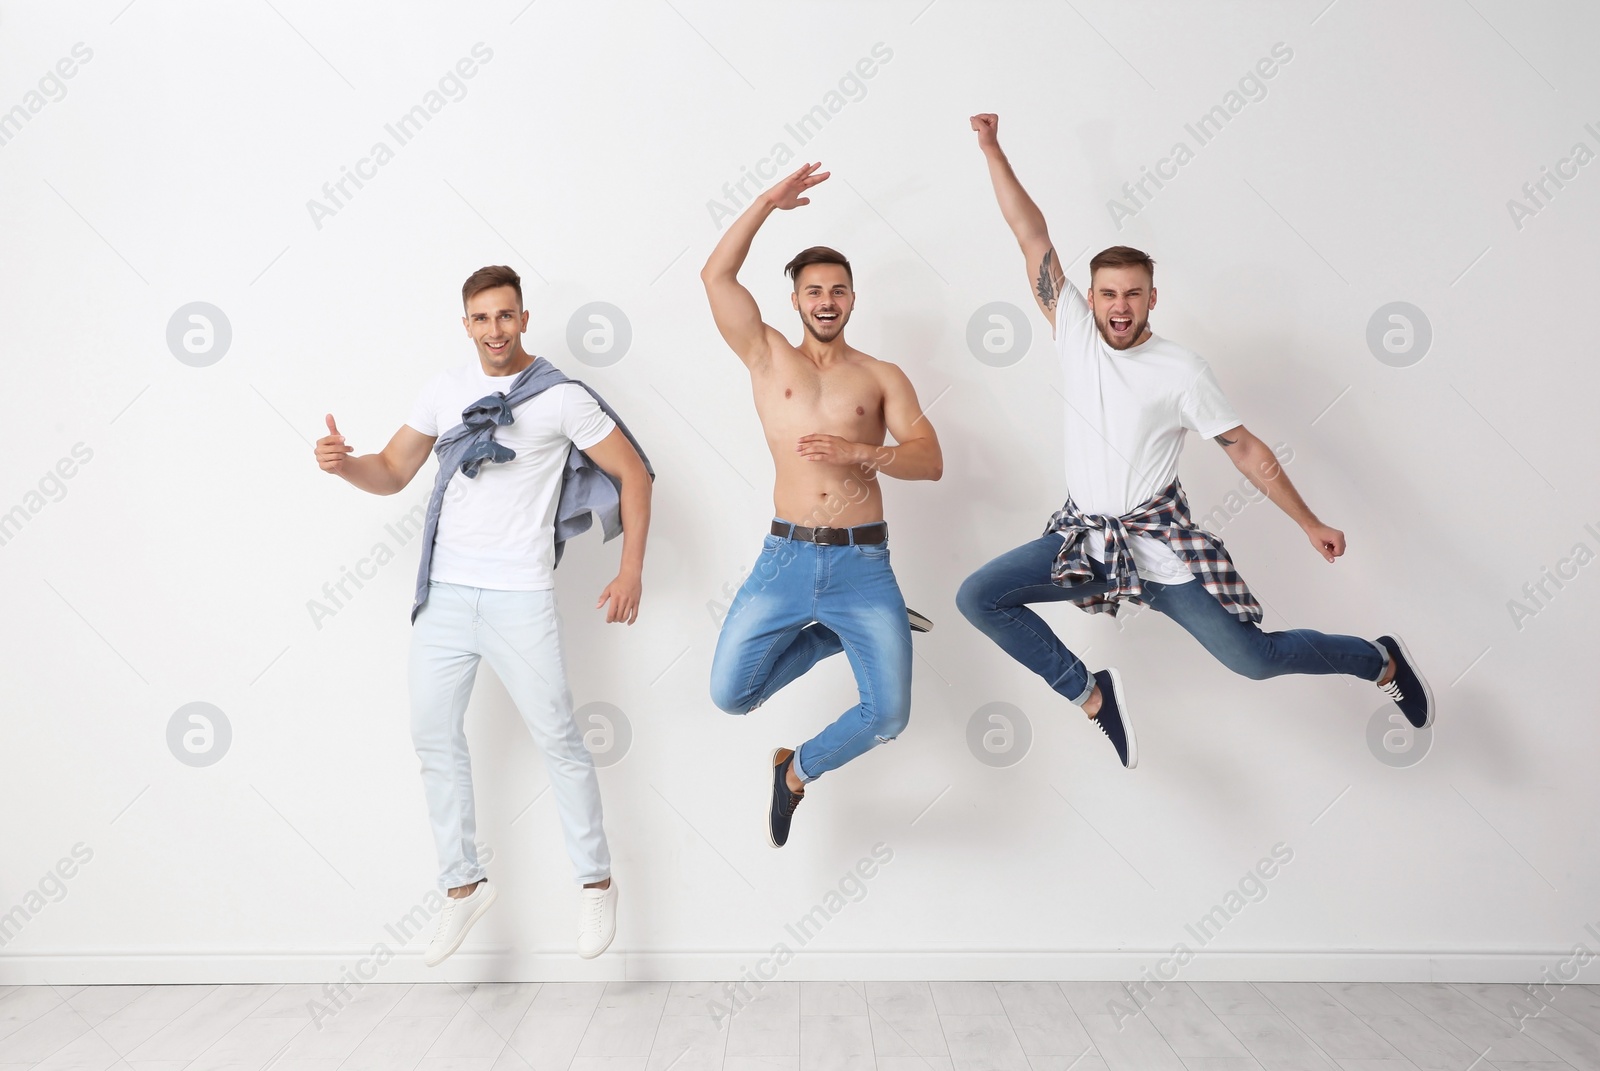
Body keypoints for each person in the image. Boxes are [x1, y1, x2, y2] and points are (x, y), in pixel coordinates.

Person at [957, 114, 1432, 769]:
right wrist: (991, 147)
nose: (1118, 306)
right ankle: (1091, 694)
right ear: (1087, 299)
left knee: (1256, 660)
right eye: (1106, 294)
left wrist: (1308, 521)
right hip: (1085, 543)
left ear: (1153, 298)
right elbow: (1029, 232)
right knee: (977, 596)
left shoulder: (1181, 370)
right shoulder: (1075, 332)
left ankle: (1378, 660)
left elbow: (1243, 447)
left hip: (1159, 552)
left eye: (1132, 294)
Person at [313, 265, 652, 962]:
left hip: (519, 594)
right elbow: (394, 470)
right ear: (465, 324)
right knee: (432, 735)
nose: (494, 330)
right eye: (481, 318)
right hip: (444, 594)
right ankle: (463, 889)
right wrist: (345, 464)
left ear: (524, 318)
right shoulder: (444, 390)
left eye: (505, 316)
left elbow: (635, 473)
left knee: (557, 734)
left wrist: (630, 569)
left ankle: (596, 883)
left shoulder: (559, 398)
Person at [700, 162, 943, 847]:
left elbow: (931, 460)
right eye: (814, 291)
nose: (827, 301)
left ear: (853, 299)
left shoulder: (881, 376)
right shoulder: (767, 357)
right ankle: (831, 634)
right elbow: (716, 278)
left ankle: (796, 771)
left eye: (838, 290)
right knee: (732, 694)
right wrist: (766, 204)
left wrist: (865, 453)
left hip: (864, 565)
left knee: (887, 714)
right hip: (784, 558)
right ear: (797, 300)